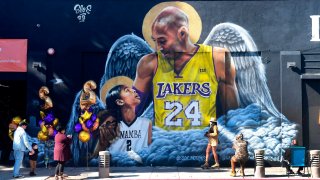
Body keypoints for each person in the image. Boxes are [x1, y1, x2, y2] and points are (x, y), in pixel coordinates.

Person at [133, 6, 239, 131]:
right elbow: (131, 110)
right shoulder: (149, 63)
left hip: (203, 143)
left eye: (162, 41)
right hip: (164, 145)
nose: (158, 48)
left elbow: (233, 116)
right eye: (155, 41)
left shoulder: (217, 59)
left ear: (182, 33)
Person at [106, 84, 152, 153]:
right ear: (120, 102)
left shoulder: (147, 123)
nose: (133, 90)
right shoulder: (112, 127)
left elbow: (149, 152)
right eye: (127, 90)